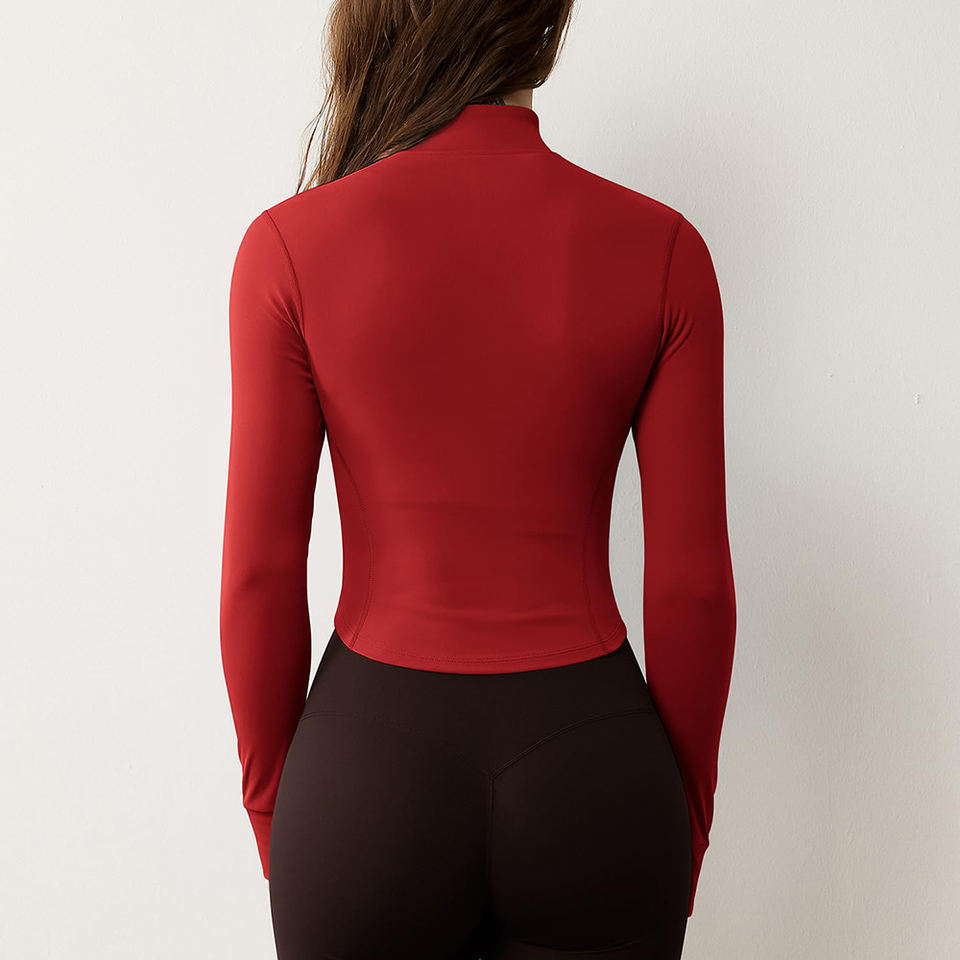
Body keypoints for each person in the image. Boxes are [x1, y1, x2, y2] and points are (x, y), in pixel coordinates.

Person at [219, 2, 736, 957]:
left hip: (365, 778)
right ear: (546, 22)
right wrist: (681, 824)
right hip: (597, 772)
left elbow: (259, 575)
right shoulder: (664, 248)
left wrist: (278, 820)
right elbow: (693, 588)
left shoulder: (287, 248)